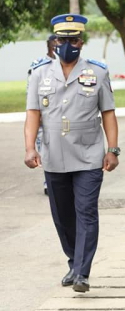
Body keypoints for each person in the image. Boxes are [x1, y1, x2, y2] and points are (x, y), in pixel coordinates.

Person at [24, 14, 120, 293]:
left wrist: (112, 150)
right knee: (63, 215)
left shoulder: (98, 72)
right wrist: (30, 147)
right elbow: (32, 114)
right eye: (62, 40)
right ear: (54, 42)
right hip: (53, 155)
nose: (67, 44)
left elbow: (108, 114)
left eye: (73, 40)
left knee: (86, 211)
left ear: (81, 42)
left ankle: (82, 272)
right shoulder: (39, 72)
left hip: (89, 153)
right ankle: (73, 262)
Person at [28, 34, 58, 195]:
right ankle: (48, 181)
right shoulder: (38, 65)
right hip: (43, 115)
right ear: (48, 45)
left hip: (60, 115)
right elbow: (31, 91)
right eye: (54, 42)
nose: (57, 45)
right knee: (45, 148)